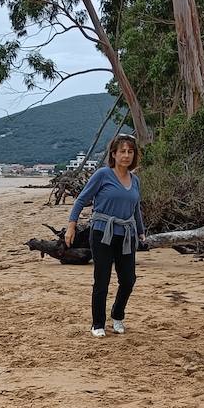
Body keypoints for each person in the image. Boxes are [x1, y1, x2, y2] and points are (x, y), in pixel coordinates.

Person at [64, 133, 146, 338]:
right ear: (114, 154)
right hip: (102, 233)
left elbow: (136, 209)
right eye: (122, 152)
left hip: (126, 234)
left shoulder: (134, 180)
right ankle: (97, 323)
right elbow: (81, 200)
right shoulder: (103, 174)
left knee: (128, 279)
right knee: (102, 279)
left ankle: (117, 315)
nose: (126, 155)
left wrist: (141, 231)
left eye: (130, 152)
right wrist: (71, 226)